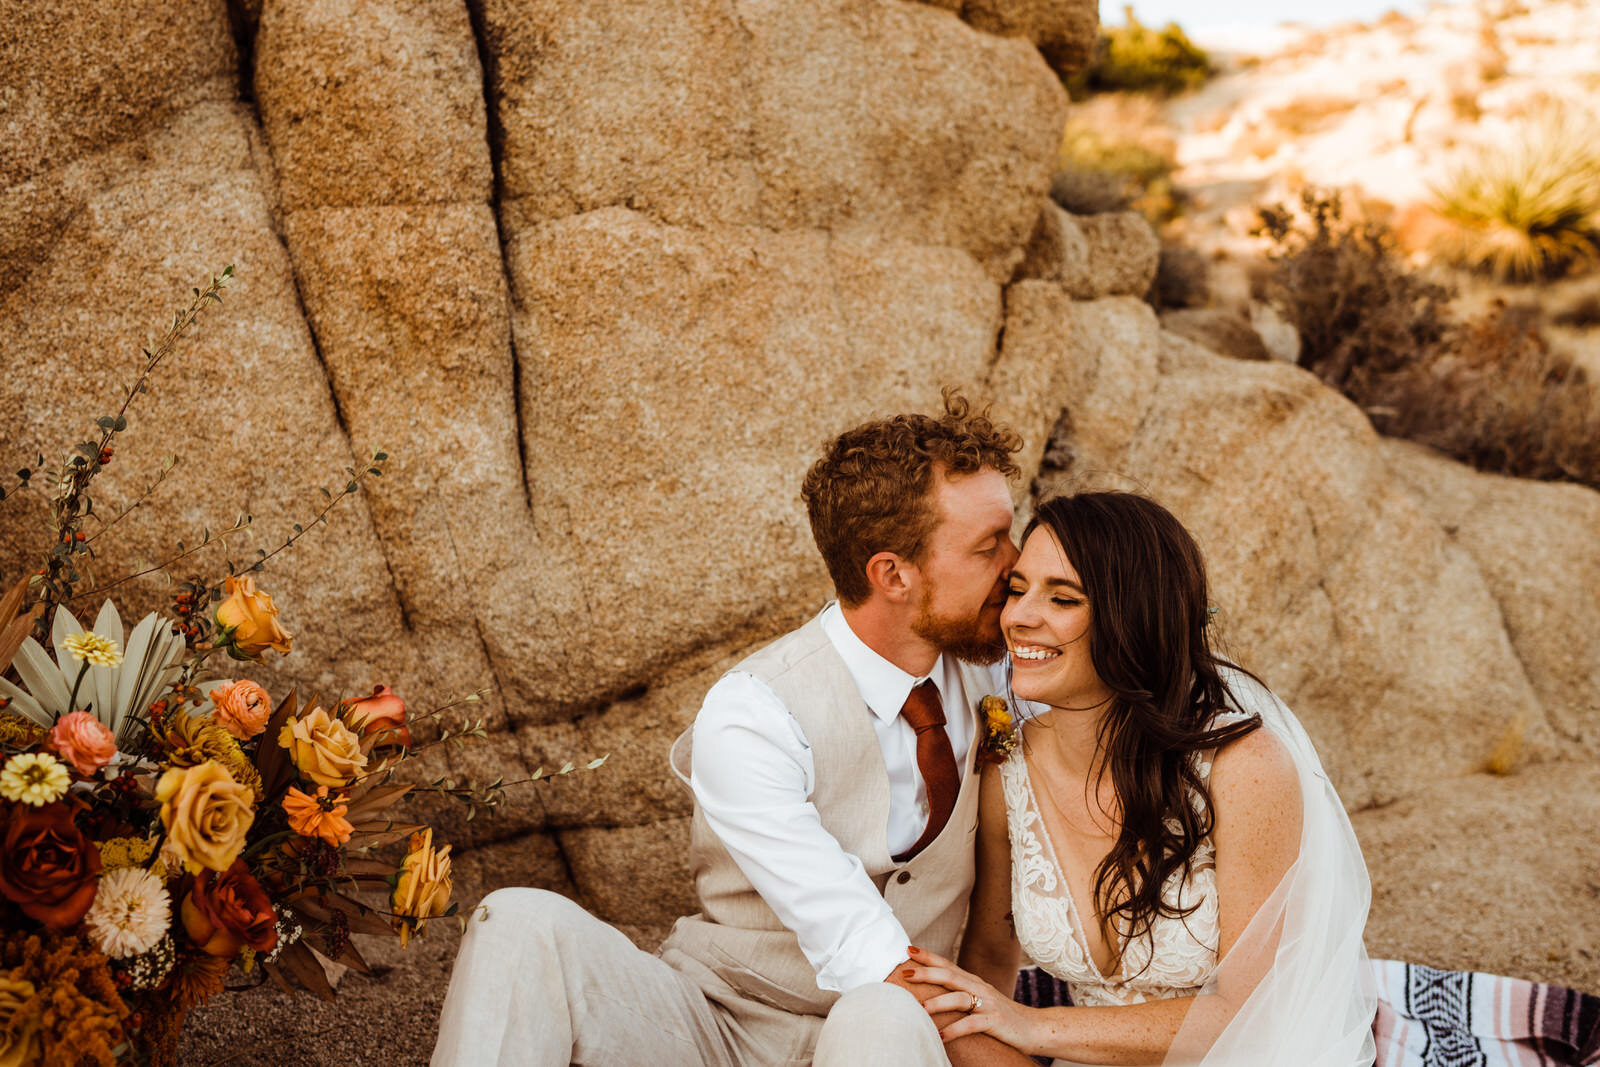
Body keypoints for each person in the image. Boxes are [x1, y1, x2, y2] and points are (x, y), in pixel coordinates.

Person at [431, 391, 1032, 1066]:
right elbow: (855, 937)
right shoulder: (754, 713)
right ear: (892, 573)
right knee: (515, 920)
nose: (1018, 566)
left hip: (893, 1041)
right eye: (989, 546)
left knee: (880, 1013)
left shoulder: (1001, 676)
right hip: (717, 1031)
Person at [901, 492, 1377, 1066]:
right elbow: (990, 962)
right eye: (1018, 589)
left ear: (1133, 615)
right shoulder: (1009, 771)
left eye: (1063, 598)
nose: (1020, 617)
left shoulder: (1243, 767)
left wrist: (1036, 1028)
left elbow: (1256, 1013)